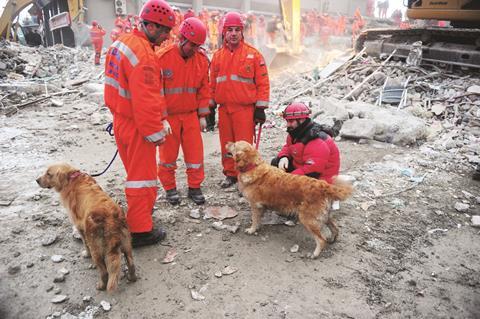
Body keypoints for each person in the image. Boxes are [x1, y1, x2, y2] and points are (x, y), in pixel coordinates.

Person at [103, 0, 175, 247]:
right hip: (136, 125)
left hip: (121, 120)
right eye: (165, 31)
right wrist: (155, 132)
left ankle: (139, 216)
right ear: (152, 26)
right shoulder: (144, 55)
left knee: (134, 174)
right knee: (142, 178)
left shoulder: (121, 43)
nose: (167, 37)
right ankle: (141, 231)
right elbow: (145, 100)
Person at [210, 11, 270, 188]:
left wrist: (260, 108)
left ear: (242, 32)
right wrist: (210, 108)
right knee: (227, 146)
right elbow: (211, 84)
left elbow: (263, 83)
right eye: (230, 30)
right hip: (224, 109)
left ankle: (245, 177)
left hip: (244, 110)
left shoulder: (254, 55)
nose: (234, 33)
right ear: (224, 33)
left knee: (243, 148)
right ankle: (230, 174)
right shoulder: (217, 57)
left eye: (237, 30)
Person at [156, 17, 210, 205]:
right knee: (167, 157)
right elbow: (157, 92)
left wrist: (203, 115)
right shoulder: (163, 58)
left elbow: (204, 88)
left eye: (198, 46)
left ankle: (194, 187)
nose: (194, 50)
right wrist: (162, 118)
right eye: (192, 45)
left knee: (195, 155)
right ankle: (170, 188)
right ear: (182, 38)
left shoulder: (201, 61)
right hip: (169, 117)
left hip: (190, 116)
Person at [271, 102, 340, 184]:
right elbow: (288, 147)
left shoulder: (316, 140)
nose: (287, 125)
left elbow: (312, 171)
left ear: (301, 120)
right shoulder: (295, 132)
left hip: (321, 179)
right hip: (303, 168)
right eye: (287, 121)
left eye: (291, 121)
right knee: (276, 163)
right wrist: (284, 157)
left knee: (281, 184)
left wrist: (287, 179)